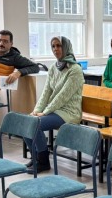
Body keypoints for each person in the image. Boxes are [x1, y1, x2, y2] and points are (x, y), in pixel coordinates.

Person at [25, 36, 84, 174]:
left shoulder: (75, 69)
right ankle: (36, 158)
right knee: (27, 121)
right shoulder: (53, 68)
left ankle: (43, 162)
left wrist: (45, 112)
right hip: (54, 110)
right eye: (53, 46)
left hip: (69, 112)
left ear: (66, 47)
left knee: (35, 125)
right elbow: (46, 93)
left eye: (59, 46)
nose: (56, 49)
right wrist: (36, 111)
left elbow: (62, 96)